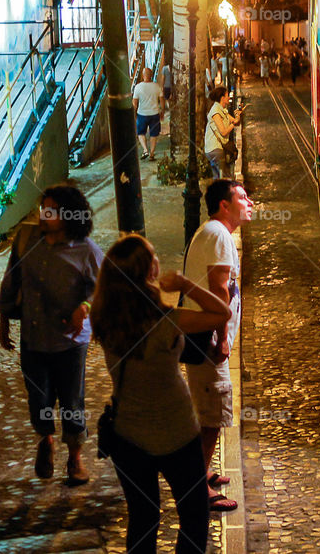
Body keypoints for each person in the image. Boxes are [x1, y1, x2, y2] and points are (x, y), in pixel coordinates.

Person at [92, 234, 231, 553]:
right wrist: (184, 284)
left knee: (143, 518)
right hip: (177, 434)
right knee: (194, 515)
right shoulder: (168, 321)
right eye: (153, 256)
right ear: (149, 272)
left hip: (128, 436)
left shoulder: (104, 320)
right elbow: (221, 312)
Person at [0, 184, 102, 485]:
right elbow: (11, 281)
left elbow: (102, 288)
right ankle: (46, 440)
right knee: (39, 399)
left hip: (70, 343)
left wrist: (84, 307)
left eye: (51, 210)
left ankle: (75, 459)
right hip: (33, 337)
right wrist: (4, 323)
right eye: (44, 208)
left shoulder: (86, 250)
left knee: (71, 402)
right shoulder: (26, 239)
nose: (44, 214)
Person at [183, 179, 252, 513]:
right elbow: (218, 290)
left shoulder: (211, 232)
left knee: (209, 408)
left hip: (203, 337)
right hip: (209, 341)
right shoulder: (219, 235)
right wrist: (223, 338)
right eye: (241, 197)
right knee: (211, 415)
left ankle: (202, 471)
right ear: (224, 205)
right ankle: (197, 488)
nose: (248, 201)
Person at [204, 86, 243, 179]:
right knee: (225, 177)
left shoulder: (223, 110)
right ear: (222, 98)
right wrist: (234, 123)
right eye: (227, 96)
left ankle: (218, 192)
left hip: (219, 148)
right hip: (214, 148)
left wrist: (238, 115)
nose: (229, 98)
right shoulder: (216, 112)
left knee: (219, 177)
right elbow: (224, 132)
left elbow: (236, 123)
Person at [132, 67, 165, 160]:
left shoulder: (138, 87)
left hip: (142, 114)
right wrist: (162, 110)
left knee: (141, 133)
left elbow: (134, 103)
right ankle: (152, 153)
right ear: (151, 75)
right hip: (154, 114)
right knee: (153, 134)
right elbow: (162, 99)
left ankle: (145, 150)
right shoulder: (156, 86)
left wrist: (134, 113)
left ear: (143, 76)